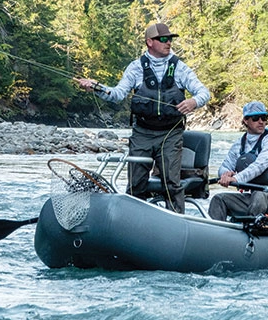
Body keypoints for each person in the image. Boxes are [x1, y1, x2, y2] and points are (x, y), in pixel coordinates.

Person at [75, 22, 210, 213]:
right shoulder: (136, 68)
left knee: (171, 183)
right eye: (163, 39)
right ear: (149, 42)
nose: (168, 42)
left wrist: (194, 102)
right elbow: (117, 94)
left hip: (171, 134)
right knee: (136, 184)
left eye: (170, 39)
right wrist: (96, 87)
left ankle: (177, 222)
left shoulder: (180, 68)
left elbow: (204, 92)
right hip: (142, 134)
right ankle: (133, 220)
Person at [208, 101, 268, 221]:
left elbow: (259, 166)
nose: (261, 121)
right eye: (256, 118)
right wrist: (225, 174)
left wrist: (236, 178)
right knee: (219, 199)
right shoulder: (239, 144)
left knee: (259, 195)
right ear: (246, 120)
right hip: (256, 198)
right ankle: (216, 233)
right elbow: (224, 166)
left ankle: (248, 231)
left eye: (264, 117)